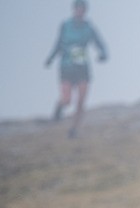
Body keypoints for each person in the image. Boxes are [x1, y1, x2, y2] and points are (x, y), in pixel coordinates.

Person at [45, 0, 108, 138]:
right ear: (74, 9)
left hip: (82, 67)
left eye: (83, 9)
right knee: (67, 100)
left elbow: (99, 42)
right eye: (78, 8)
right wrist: (50, 58)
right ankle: (59, 107)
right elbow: (58, 44)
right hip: (67, 66)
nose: (80, 11)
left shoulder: (89, 27)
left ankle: (74, 129)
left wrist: (103, 54)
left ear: (85, 11)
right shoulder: (65, 26)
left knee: (81, 100)